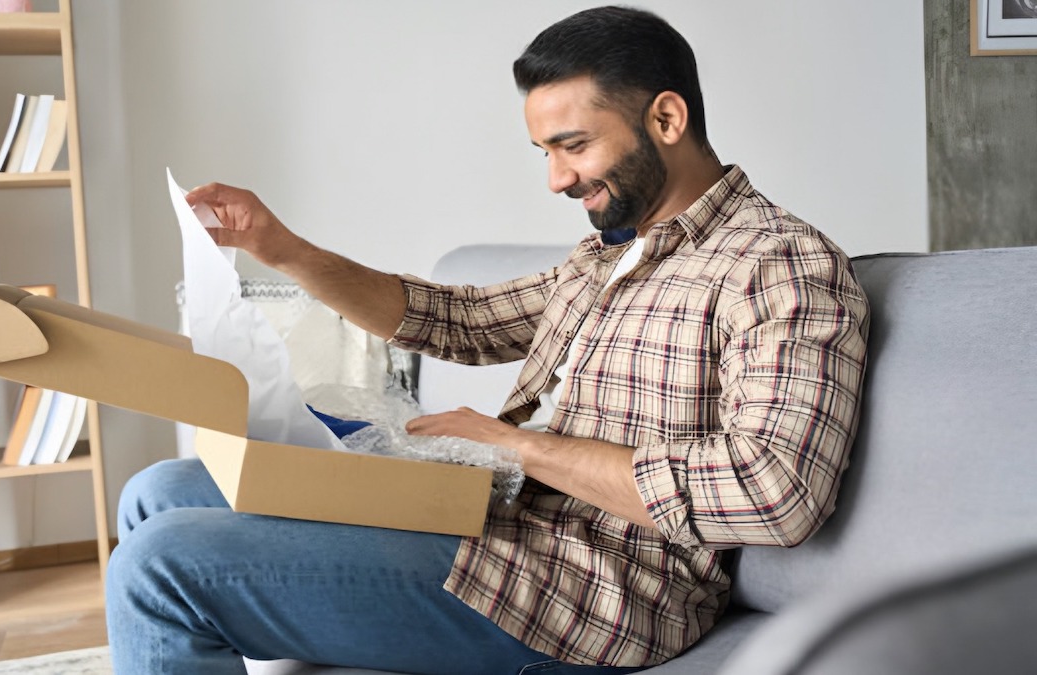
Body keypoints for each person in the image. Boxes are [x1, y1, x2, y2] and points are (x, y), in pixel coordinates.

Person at [105, 6, 870, 674]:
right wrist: (282, 248)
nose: (556, 179)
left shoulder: (780, 264)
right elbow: (459, 319)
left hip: (598, 591)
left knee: (158, 567)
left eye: (572, 145)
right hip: (500, 522)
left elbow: (777, 493)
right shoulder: (608, 255)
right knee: (160, 492)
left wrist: (520, 447)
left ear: (666, 121)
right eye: (545, 152)